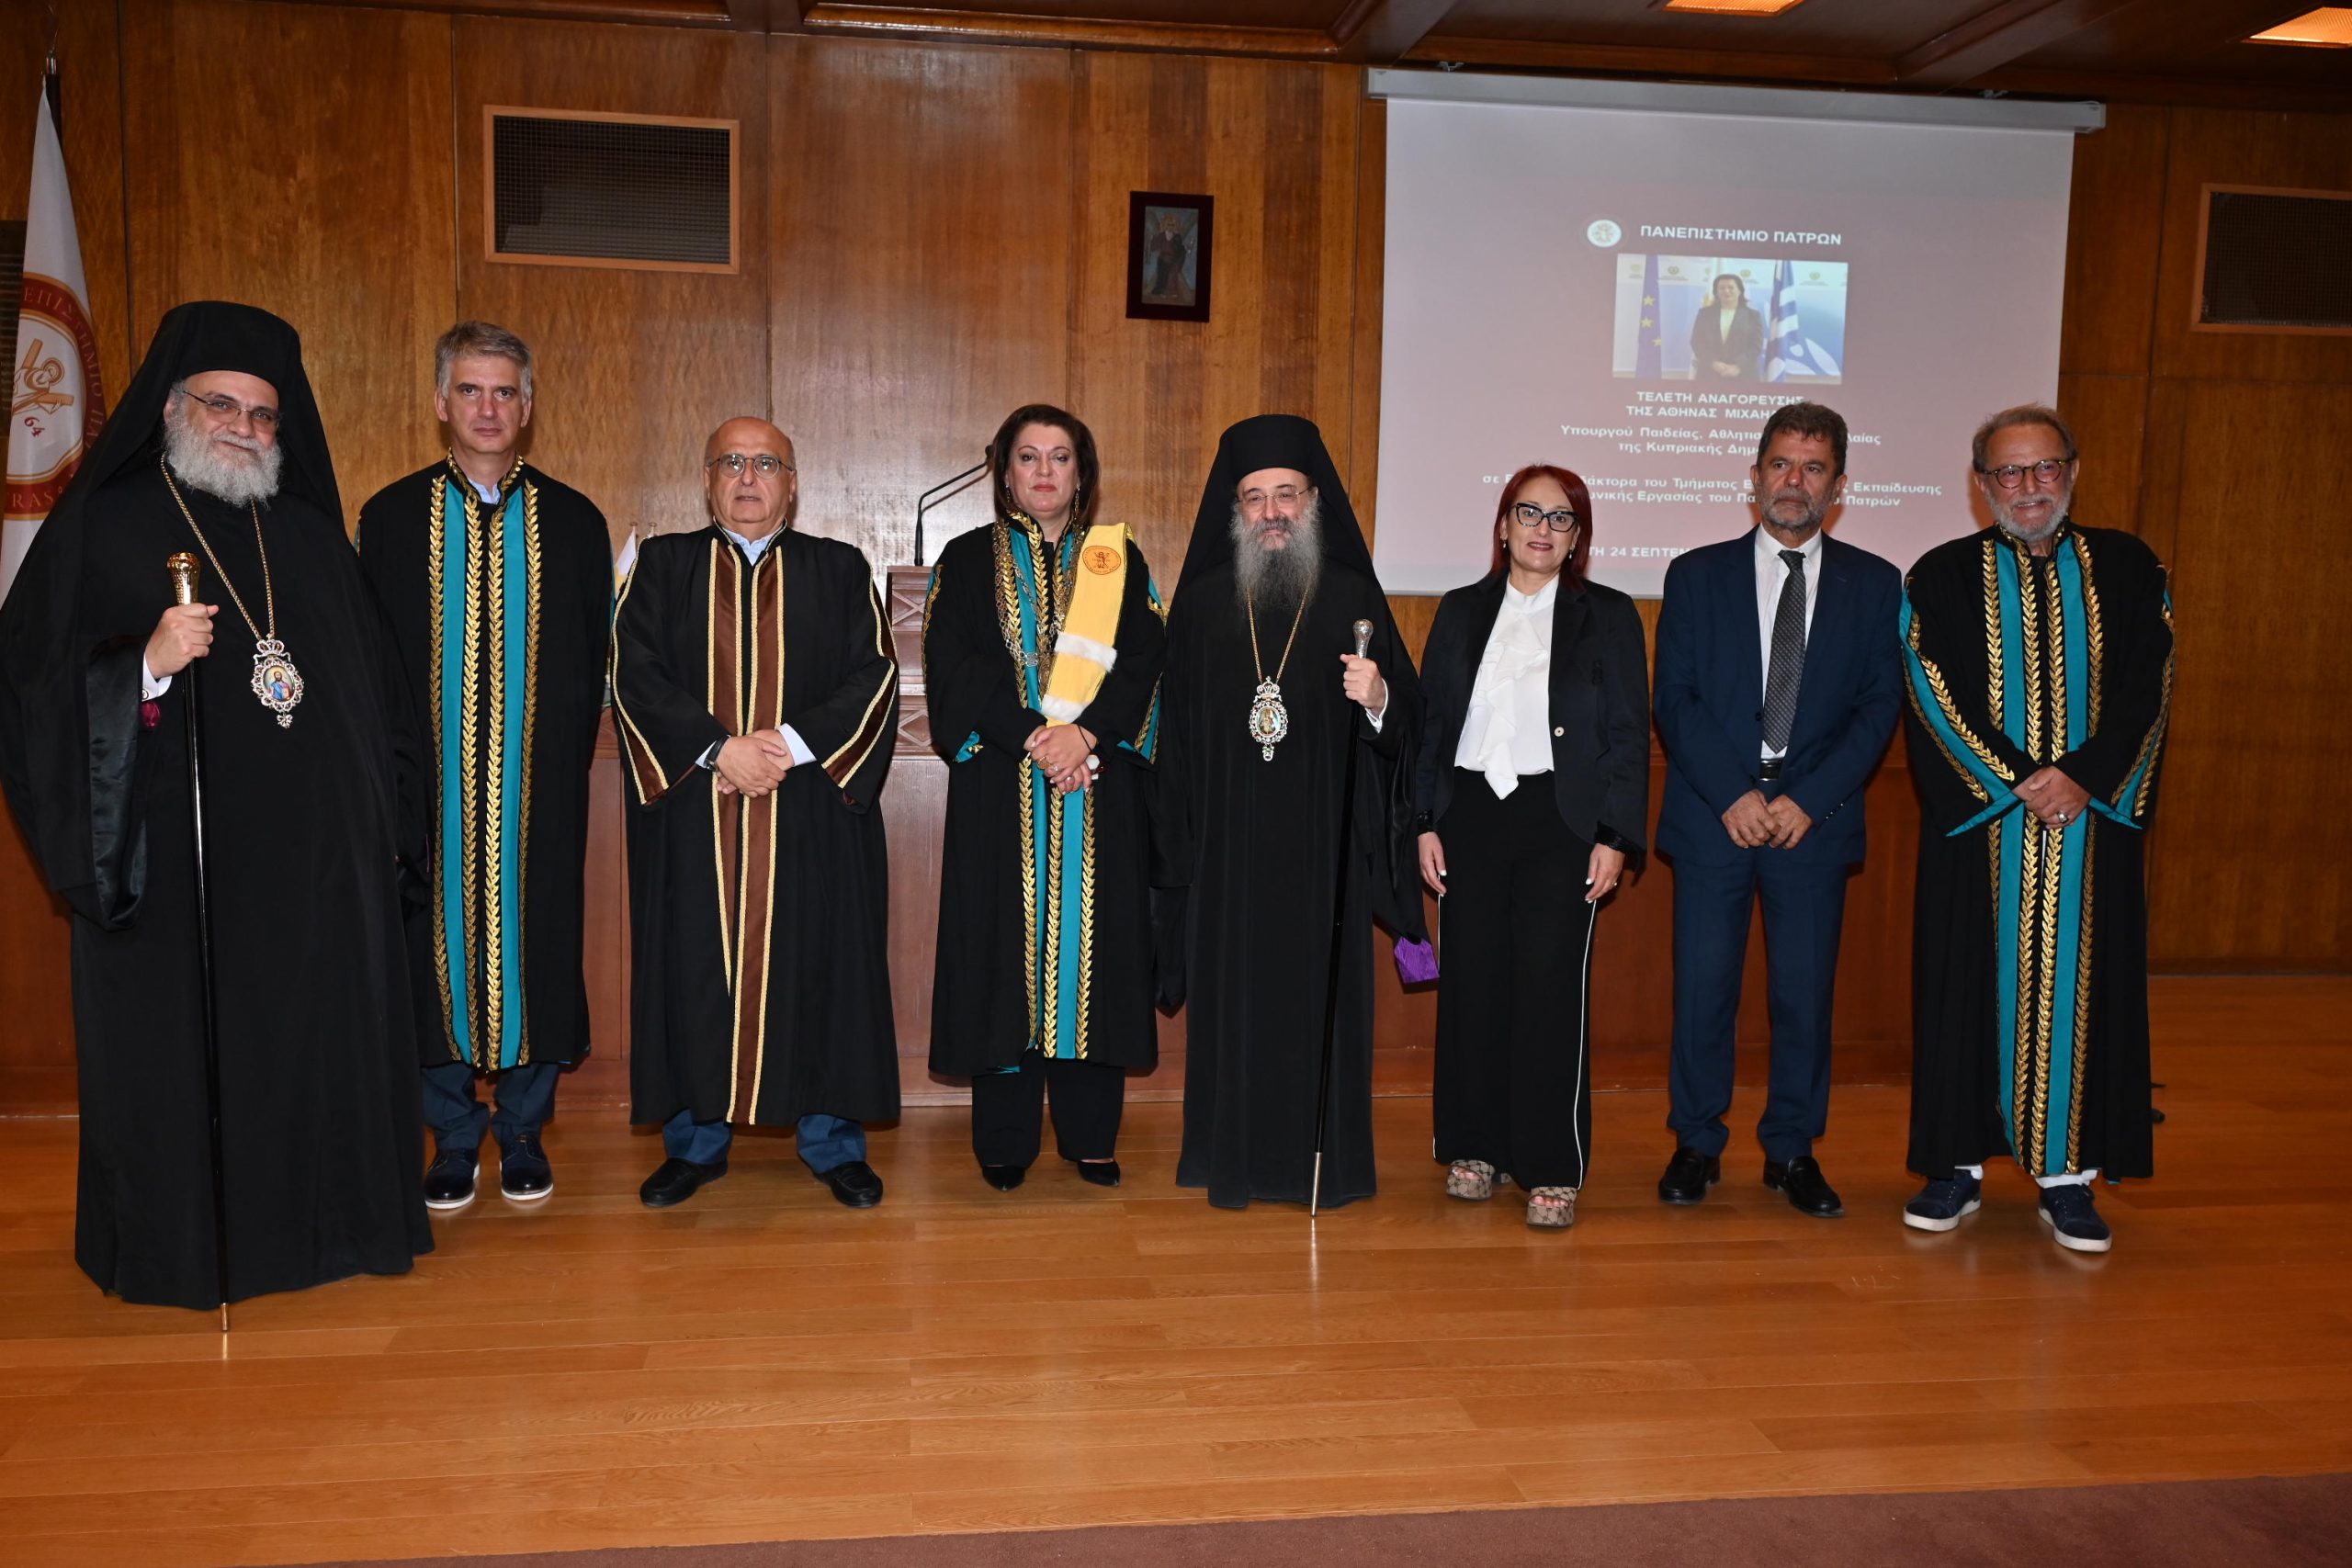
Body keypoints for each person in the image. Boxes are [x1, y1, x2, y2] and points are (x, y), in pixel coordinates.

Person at [0, 300, 433, 1309]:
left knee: (316, 1049)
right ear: (171, 407)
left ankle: (335, 1229)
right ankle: (190, 1247)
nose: (243, 427)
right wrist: (143, 667)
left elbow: (381, 701)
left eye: (263, 413)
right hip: (178, 867)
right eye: (221, 405)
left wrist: (387, 827)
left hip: (318, 875)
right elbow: (29, 689)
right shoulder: (105, 526)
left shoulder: (311, 539)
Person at [1899, 405, 2172, 1254]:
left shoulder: (2129, 568)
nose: (2029, 486)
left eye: (2045, 467)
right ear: (1981, 483)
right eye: (2009, 471)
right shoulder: (1941, 576)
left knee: (2088, 996)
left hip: (2091, 827)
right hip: (1983, 831)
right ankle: (1954, 1165)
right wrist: (2018, 780)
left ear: (2073, 471)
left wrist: (2084, 776)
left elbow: (2149, 685)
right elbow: (1931, 690)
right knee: (1962, 987)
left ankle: (2068, 1178)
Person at [609, 417, 899, 1210]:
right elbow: (633, 672)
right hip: (698, 813)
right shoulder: (663, 566)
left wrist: (786, 745)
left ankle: (831, 1142)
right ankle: (695, 1145)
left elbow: (875, 676)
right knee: (693, 969)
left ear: (791, 485)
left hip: (810, 812)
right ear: (706, 478)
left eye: (766, 463)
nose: (747, 477)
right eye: (730, 461)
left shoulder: (839, 568)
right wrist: (717, 749)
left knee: (822, 969)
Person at [358, 321, 613, 1211]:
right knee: (427, 950)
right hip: (427, 788)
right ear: (441, 403)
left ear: (529, 407)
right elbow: (371, 660)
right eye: (470, 390)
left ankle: (523, 1129)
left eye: (505, 391)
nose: (488, 408)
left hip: (537, 789)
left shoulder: (574, 522)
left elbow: (594, 656)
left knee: (537, 943)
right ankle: (454, 1135)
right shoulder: (391, 518)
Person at [1157, 413, 1420, 1210]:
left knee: (1318, 1003)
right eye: (1255, 497)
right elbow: (1174, 744)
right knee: (1232, 1006)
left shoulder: (1351, 597)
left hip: (1321, 853)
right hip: (1227, 855)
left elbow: (1410, 725)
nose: (1272, 512)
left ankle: (1323, 1162)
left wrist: (1379, 700)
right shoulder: (1202, 605)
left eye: (1287, 494)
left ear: (1314, 501)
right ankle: (1228, 1157)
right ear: (1234, 509)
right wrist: (1179, 852)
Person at [1652, 400, 1902, 1219]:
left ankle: (1792, 1148)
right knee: (1703, 991)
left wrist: (1806, 800)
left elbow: (1878, 708)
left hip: (1811, 824)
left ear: (1839, 486)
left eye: (1814, 467)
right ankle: (1696, 1140)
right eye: (1781, 464)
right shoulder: (1695, 574)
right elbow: (1675, 697)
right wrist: (1734, 794)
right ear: (1754, 475)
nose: (1795, 481)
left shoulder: (1876, 583)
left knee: (1803, 996)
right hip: (1714, 815)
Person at [925, 405, 1165, 1190]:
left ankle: (1091, 1135)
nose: (1044, 472)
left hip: (1097, 792)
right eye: (1028, 457)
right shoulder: (965, 559)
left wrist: (1087, 734)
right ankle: (1004, 1139)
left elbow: (1146, 663)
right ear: (1005, 473)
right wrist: (1035, 734)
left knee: (1095, 960)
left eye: (1060, 457)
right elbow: (955, 667)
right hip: (1001, 788)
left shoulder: (1118, 560)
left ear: (1082, 472)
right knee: (1002, 959)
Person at [1410, 465, 1648, 1230]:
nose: (1542, 528)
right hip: (1470, 816)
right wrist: (1423, 819)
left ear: (1578, 537)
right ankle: (1474, 1146)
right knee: (1473, 985)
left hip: (1562, 823)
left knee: (1550, 993)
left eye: (1560, 517)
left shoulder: (1608, 615)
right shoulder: (1460, 609)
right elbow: (1431, 725)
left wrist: (1615, 835)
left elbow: (1627, 735)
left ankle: (1550, 1163)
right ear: (1503, 525)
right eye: (1528, 513)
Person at [1690, 274, 1765, 383]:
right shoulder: (1704, 314)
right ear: (1716, 292)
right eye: (1722, 288)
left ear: (1740, 291)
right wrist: (1713, 363)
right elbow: (1696, 342)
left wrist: (1738, 366)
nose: (1726, 291)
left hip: (1744, 375)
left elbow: (1756, 346)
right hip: (1710, 375)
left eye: (1731, 287)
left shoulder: (1753, 315)